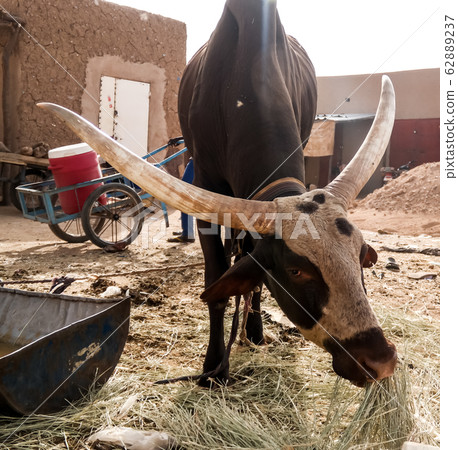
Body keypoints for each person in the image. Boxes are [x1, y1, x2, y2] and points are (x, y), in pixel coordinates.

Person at [167, 158, 195, 243]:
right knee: (186, 194)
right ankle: (186, 230)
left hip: (198, 159)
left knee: (185, 193)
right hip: (197, 159)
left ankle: (188, 233)